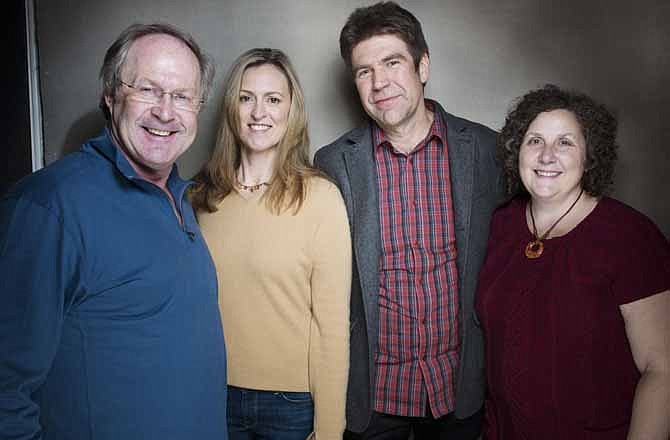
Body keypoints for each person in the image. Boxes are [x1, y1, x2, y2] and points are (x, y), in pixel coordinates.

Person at [0, 23, 228, 440]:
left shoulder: (182, 195)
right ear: (110, 95)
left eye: (182, 96)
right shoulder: (50, 206)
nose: (165, 111)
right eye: (147, 89)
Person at [314, 2, 506, 438]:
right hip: (373, 395)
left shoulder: (486, 150)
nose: (379, 82)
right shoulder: (332, 164)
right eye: (364, 71)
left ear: (422, 66)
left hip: (459, 390)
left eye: (392, 62)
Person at [475, 84, 670, 439]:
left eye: (565, 142)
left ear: (589, 155)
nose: (547, 156)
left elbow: (661, 368)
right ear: (517, 149)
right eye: (535, 141)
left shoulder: (629, 237)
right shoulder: (500, 224)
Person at [190, 48, 352, 440]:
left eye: (273, 99)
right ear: (232, 108)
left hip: (290, 406)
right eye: (246, 98)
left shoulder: (320, 198)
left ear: (291, 110)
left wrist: (330, 429)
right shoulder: (199, 198)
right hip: (210, 395)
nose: (258, 112)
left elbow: (332, 329)